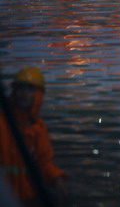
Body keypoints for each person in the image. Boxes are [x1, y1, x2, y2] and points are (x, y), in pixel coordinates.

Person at [0, 67, 68, 206]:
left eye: (30, 89)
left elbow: (44, 162)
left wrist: (56, 179)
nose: (23, 93)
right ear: (14, 91)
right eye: (20, 88)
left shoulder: (38, 128)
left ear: (38, 95)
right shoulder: (2, 123)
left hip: (29, 198)